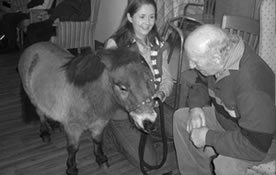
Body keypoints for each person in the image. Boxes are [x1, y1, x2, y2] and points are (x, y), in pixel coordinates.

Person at [173, 24, 276, 175]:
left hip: (265, 142)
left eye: (195, 61)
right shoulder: (221, 56)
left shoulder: (251, 84)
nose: (191, 65)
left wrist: (208, 137)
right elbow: (201, 81)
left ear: (215, 59)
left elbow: (256, 146)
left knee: (225, 164)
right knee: (181, 118)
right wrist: (195, 107)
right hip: (229, 122)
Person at [104, 0, 174, 168]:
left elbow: (166, 79)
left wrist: (162, 93)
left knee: (181, 131)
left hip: (151, 105)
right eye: (142, 16)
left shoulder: (158, 44)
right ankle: (113, 134)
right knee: (150, 162)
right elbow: (106, 87)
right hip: (122, 110)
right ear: (129, 17)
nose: (147, 22)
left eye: (152, 17)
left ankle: (145, 132)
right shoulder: (115, 45)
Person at [25, 0, 90, 46]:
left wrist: (62, 19)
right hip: (51, 22)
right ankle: (30, 57)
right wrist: (47, 12)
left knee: (36, 34)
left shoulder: (84, 1)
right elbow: (59, 9)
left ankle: (38, 56)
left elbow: (83, 17)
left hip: (62, 27)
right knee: (31, 27)